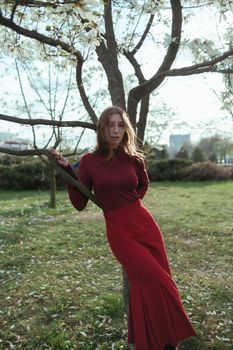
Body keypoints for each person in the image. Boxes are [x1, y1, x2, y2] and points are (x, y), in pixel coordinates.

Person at [51, 106, 196, 350]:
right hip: (119, 230)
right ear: (102, 128)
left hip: (144, 224)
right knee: (155, 281)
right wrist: (68, 171)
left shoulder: (133, 158)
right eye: (110, 125)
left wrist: (130, 202)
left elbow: (142, 185)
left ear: (125, 128)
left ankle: (158, 342)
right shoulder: (88, 161)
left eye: (120, 125)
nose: (116, 130)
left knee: (151, 284)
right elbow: (79, 203)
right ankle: (164, 338)